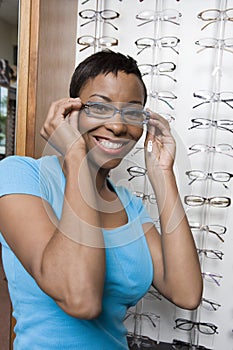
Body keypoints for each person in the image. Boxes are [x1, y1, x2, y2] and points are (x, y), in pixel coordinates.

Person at [0, 50, 203, 349]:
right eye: (99, 107)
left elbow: (186, 293)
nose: (119, 126)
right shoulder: (19, 175)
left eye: (133, 112)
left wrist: (163, 173)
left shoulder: (129, 206)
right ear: (70, 112)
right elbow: (80, 299)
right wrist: (76, 157)